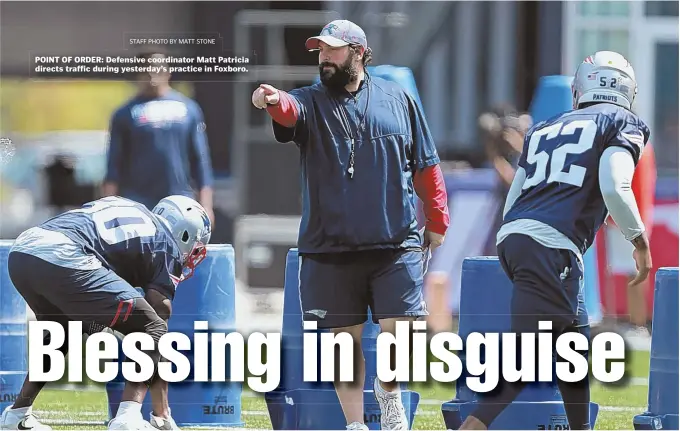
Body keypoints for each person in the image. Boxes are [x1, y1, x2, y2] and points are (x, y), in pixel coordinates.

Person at [251, 19, 449, 431]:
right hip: (331, 247)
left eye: (332, 50)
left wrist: (437, 220)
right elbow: (288, 111)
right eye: (320, 50)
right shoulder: (309, 100)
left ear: (358, 52)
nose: (323, 57)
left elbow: (426, 166)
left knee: (404, 331)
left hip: (396, 242)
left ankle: (389, 390)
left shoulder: (399, 99)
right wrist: (270, 99)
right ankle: (355, 424)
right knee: (344, 343)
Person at [458, 50, 653, 431]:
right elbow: (616, 186)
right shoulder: (622, 121)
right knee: (528, 358)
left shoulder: (547, 125)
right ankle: (471, 427)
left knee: (573, 347)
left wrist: (519, 246)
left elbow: (516, 193)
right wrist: (639, 242)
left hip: (521, 238)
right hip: (551, 245)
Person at [0, 195, 212, 431]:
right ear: (185, 234)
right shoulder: (166, 245)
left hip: (23, 251)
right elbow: (157, 321)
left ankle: (16, 414)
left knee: (63, 331)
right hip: (65, 255)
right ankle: (128, 416)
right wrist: (161, 413)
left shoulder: (133, 209)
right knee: (152, 327)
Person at [102, 50, 215, 224]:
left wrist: (206, 205)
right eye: (146, 69)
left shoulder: (188, 109)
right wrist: (107, 208)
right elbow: (113, 164)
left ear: (168, 71)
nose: (152, 74)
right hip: (137, 202)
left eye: (157, 68)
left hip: (180, 200)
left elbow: (200, 160)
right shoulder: (125, 113)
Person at [604, 142, 655, 336]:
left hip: (628, 216)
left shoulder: (632, 148)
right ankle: (628, 322)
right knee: (628, 271)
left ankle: (638, 323)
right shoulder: (638, 146)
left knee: (634, 272)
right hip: (630, 215)